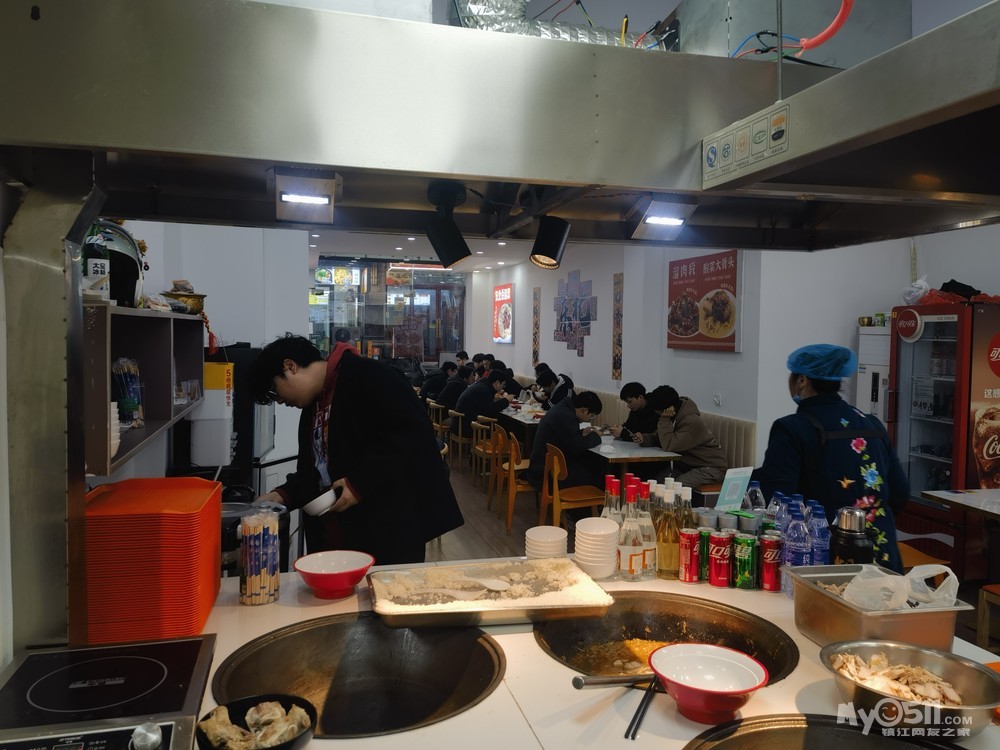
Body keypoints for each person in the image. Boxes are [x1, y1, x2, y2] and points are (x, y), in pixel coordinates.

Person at [248, 334, 463, 564]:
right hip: (338, 536)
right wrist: (284, 494)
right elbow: (317, 469)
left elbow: (412, 435)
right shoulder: (314, 404)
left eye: (274, 391)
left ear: (290, 367)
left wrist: (359, 483)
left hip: (387, 533)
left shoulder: (370, 376)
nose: (280, 401)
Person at [752, 344, 908, 571]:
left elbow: (776, 498)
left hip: (823, 560)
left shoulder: (792, 428)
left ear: (802, 380)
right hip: (882, 558)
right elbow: (900, 493)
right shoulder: (871, 424)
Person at [642, 385, 728, 488]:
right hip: (687, 465)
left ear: (668, 409)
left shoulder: (690, 421)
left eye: (659, 412)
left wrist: (664, 419)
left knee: (676, 487)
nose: (659, 415)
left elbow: (669, 445)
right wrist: (645, 439)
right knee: (656, 484)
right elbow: (662, 437)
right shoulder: (676, 415)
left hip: (710, 467)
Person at [526, 390, 603, 490]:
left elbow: (566, 436)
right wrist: (596, 436)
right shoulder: (567, 416)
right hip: (547, 473)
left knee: (590, 464)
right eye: (591, 416)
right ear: (584, 410)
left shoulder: (563, 408)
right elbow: (577, 447)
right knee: (599, 474)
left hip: (541, 466)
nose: (590, 419)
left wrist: (581, 433)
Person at [452, 368, 514, 437]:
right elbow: (490, 411)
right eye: (503, 385)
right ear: (497, 383)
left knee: (502, 423)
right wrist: (506, 400)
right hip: (468, 428)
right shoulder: (484, 390)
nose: (503, 387)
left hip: (462, 424)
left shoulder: (482, 385)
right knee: (503, 427)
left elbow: (484, 407)